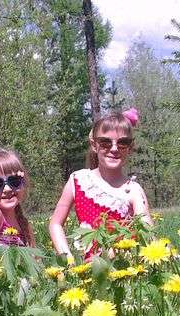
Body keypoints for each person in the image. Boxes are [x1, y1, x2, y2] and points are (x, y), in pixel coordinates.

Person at [49, 108, 153, 262]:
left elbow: (148, 235)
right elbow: (55, 224)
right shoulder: (78, 180)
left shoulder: (133, 191)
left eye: (122, 143)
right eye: (105, 142)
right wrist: (68, 260)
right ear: (94, 145)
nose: (114, 148)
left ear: (130, 147)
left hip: (123, 272)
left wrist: (112, 254)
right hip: (86, 273)